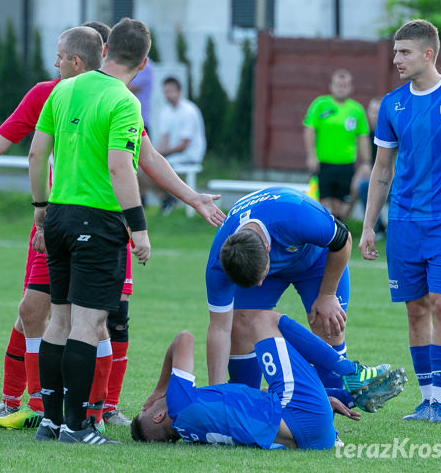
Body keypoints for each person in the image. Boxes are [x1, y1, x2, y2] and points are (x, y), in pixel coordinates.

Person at [0, 22, 224, 432]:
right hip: (70, 221)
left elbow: (146, 154)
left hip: (77, 219)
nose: (54, 62)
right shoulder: (53, 93)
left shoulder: (107, 97)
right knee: (41, 312)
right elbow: (2, 141)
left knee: (104, 319)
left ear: (85, 56)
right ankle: (39, 408)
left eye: (59, 55)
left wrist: (190, 195)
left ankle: (97, 408)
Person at [359, 19, 441, 424]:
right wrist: (368, 226)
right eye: (395, 51)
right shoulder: (392, 104)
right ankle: (425, 400)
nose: (395, 59)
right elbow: (382, 170)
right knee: (415, 310)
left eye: (403, 52)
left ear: (427, 54)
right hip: (402, 222)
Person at [28, 18, 151, 444]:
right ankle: (78, 427)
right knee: (88, 321)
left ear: (107, 48)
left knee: (58, 319)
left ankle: (50, 420)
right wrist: (139, 228)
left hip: (58, 216)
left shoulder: (63, 89)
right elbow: (121, 166)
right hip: (98, 221)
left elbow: (36, 153)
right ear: (144, 62)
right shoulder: (125, 102)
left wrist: (42, 208)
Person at [131, 312, 407, 448]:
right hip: (303, 417)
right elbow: (184, 338)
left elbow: (252, 402)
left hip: (314, 438)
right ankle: (352, 372)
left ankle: (350, 395)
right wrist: (160, 389)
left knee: (280, 390)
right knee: (263, 321)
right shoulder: (180, 405)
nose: (153, 404)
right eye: (150, 409)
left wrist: (323, 401)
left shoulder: (196, 433)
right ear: (158, 417)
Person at [205, 187, 353, 392]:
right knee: (240, 324)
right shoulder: (217, 266)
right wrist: (216, 391)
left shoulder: (297, 216)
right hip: (263, 263)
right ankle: (243, 404)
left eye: (259, 277)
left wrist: (327, 295)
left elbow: (343, 240)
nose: (258, 285)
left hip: (315, 261)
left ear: (267, 247)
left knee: (328, 323)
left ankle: (329, 416)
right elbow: (219, 328)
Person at [303, 69, 370, 220]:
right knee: (323, 203)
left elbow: (362, 137)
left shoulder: (356, 110)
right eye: (338, 84)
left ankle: (338, 236)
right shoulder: (320, 104)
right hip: (323, 163)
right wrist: (311, 156)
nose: (341, 88)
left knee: (342, 206)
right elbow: (309, 130)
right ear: (331, 86)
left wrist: (366, 162)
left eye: (345, 85)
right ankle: (321, 235)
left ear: (351, 88)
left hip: (346, 164)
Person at [143, 76, 206, 214]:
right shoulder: (166, 111)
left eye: (171, 91)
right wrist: (152, 152)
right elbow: (164, 138)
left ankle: (167, 198)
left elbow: (183, 145)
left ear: (179, 92)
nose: (168, 94)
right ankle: (164, 198)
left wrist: (157, 155)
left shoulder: (189, 111)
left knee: (151, 167)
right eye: (166, 91)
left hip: (189, 155)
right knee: (142, 165)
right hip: (174, 156)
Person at [353, 98, 385, 235]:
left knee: (365, 184)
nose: (375, 115)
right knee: (360, 184)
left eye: (379, 112)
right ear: (368, 112)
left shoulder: (391, 132)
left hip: (391, 179)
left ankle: (379, 228)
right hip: (371, 175)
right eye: (373, 112)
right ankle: (342, 222)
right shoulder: (364, 135)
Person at [127, 56, 154, 134]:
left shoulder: (145, 65)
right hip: (131, 121)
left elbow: (130, 87)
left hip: (139, 122)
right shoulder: (132, 62)